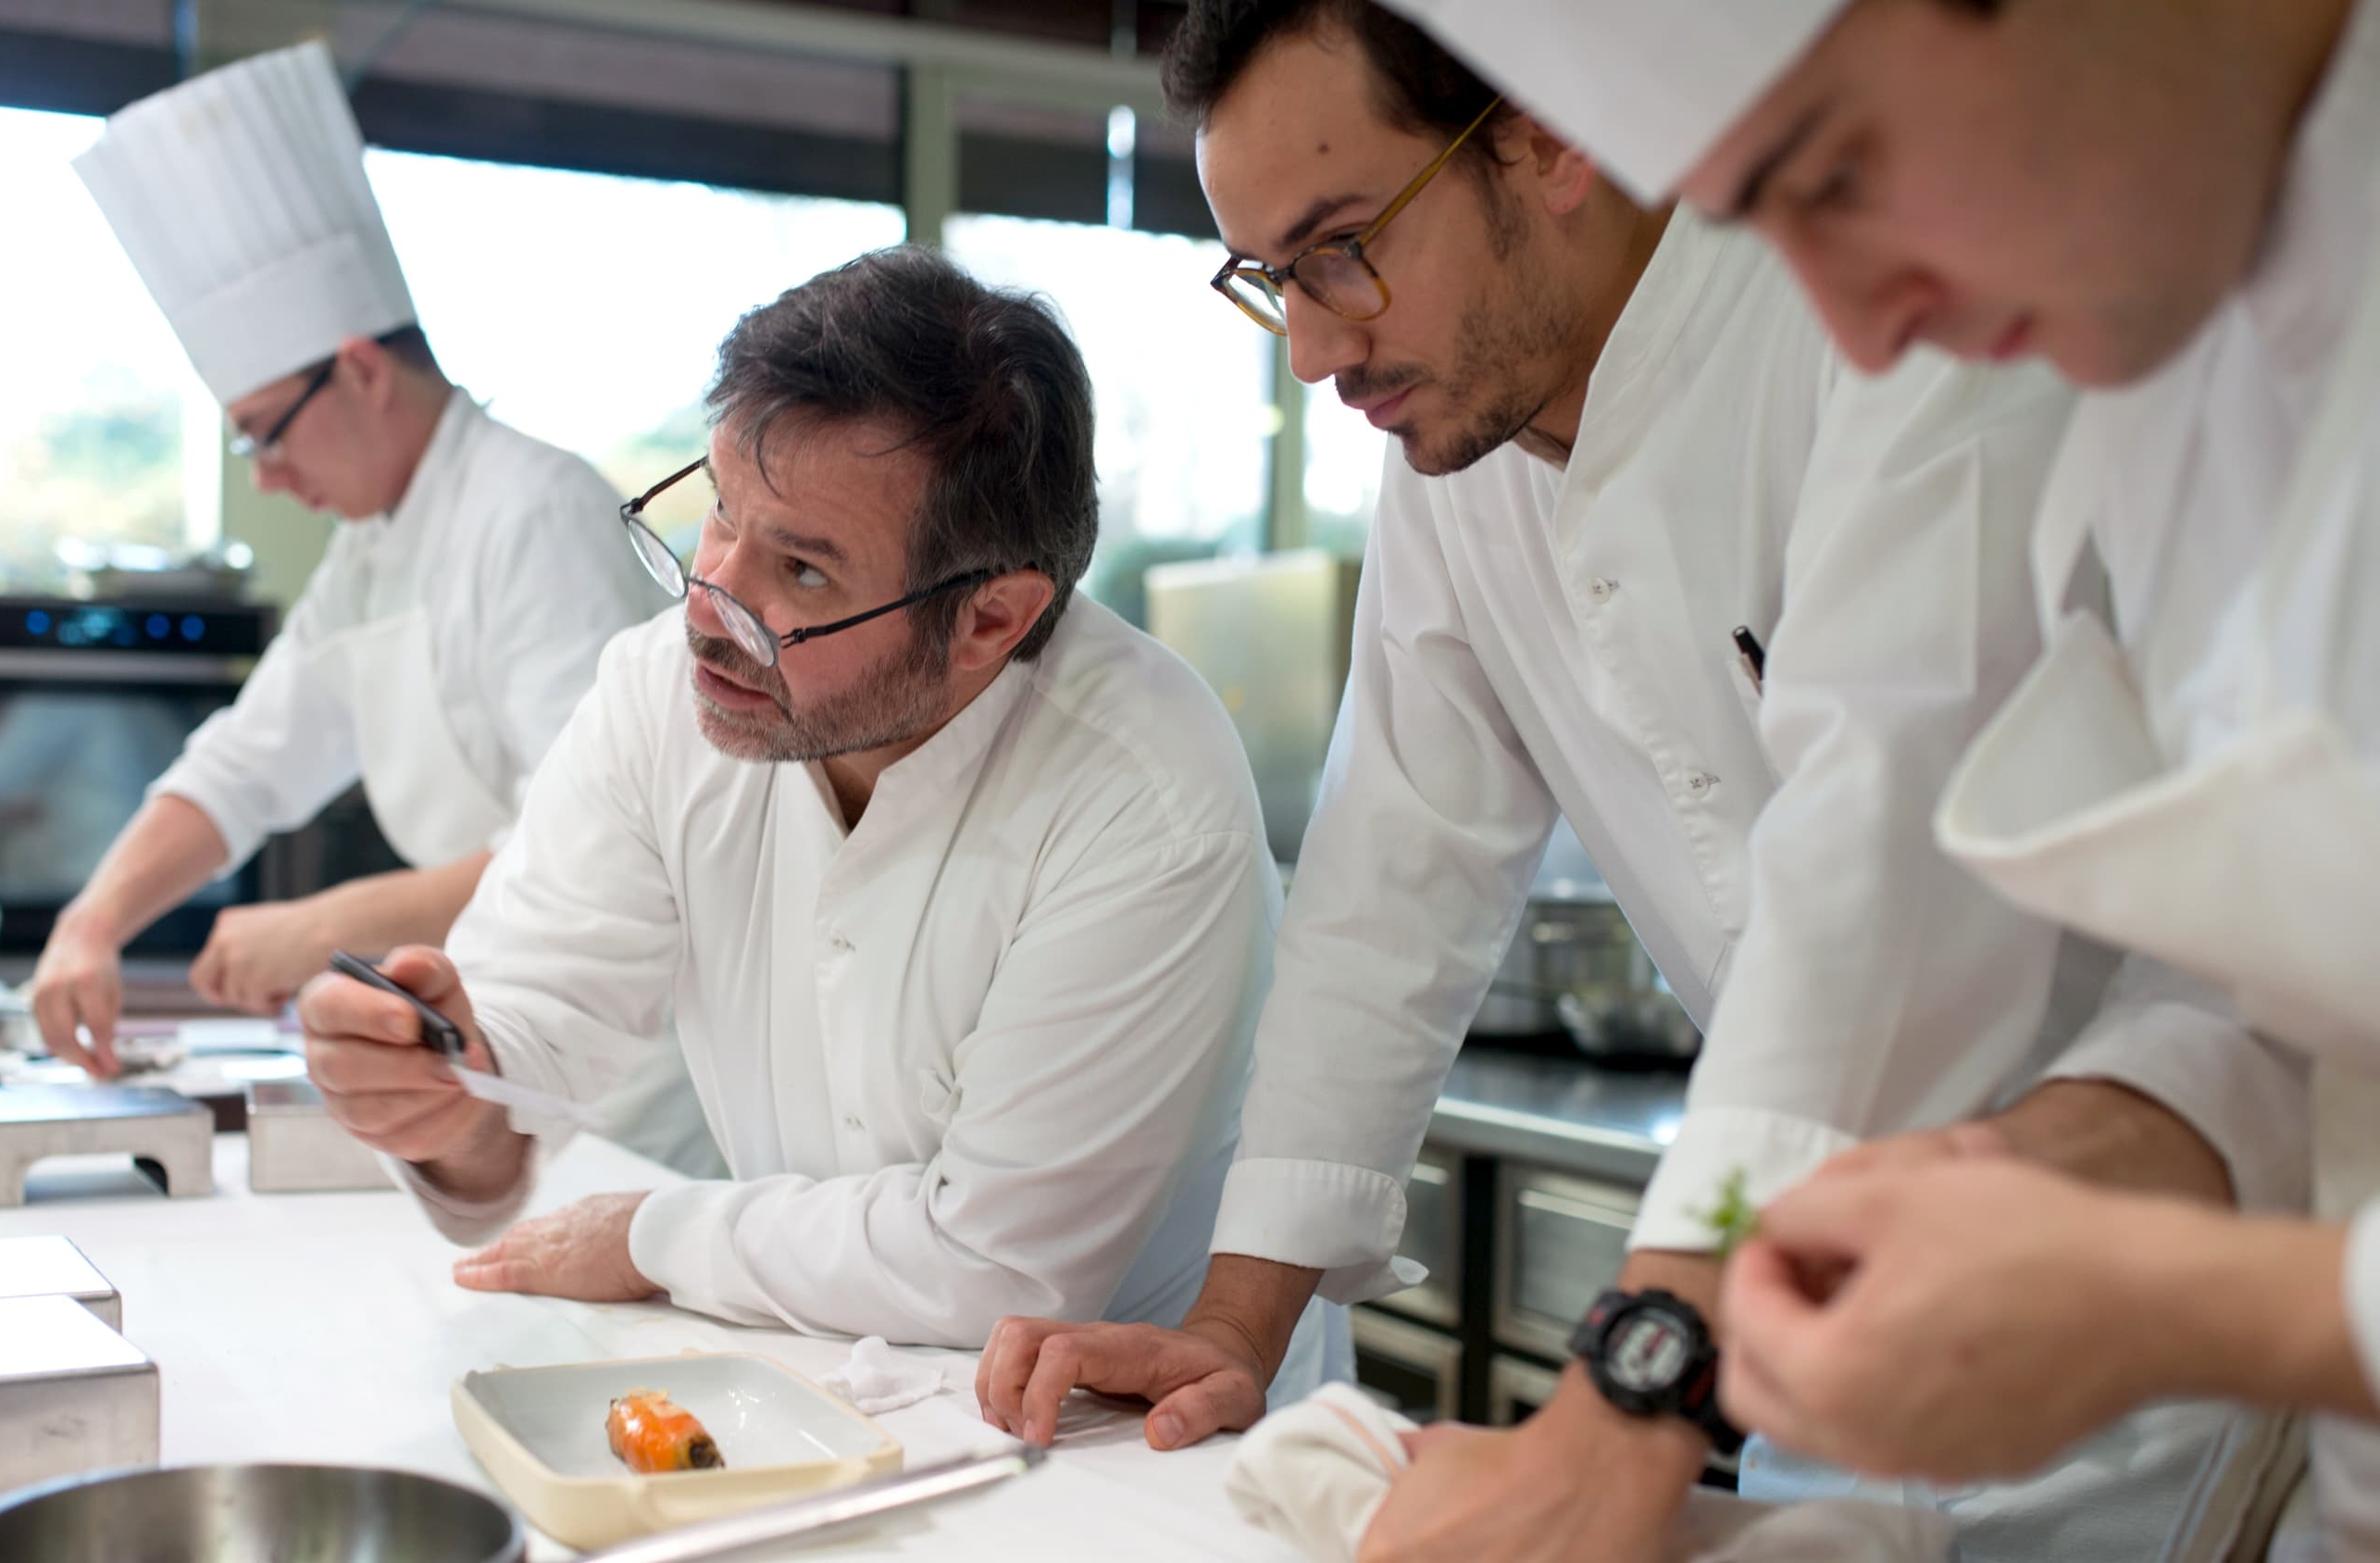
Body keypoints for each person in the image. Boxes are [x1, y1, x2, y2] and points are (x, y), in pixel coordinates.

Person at [975, 6, 2283, 1561]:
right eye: (1272, 278)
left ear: (1548, 135)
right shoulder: (1454, 455)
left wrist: (1630, 1392)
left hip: (2186, 1260)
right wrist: (1234, 1325)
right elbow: (1388, 889)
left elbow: (1875, 870)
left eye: (1342, 250)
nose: (1313, 350)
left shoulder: (1883, 321)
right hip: (1812, 1288)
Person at [1376, 0, 2380, 1554]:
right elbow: (2283, 996)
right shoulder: (2187, 331)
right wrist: (2039, 1159)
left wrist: (2182, 1300)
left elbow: (1882, 802)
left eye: (1836, 171)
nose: (1862, 332)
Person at [291, 245, 1331, 1365]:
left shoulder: (1143, 789)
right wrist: (442, 1090)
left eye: (801, 572)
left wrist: (650, 1235)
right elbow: (528, 1034)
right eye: (719, 513)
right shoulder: (657, 692)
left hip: (1130, 1431)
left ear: (990, 619)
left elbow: (997, 1263)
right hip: (817, 1383)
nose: (707, 609)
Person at [29, 41, 664, 1075]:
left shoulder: (536, 512)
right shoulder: (373, 548)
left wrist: (326, 925)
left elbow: (599, 843)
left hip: (619, 1056)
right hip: (498, 1037)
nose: (268, 477)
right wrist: (91, 922)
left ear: (361, 370)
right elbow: (245, 763)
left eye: (265, 434)